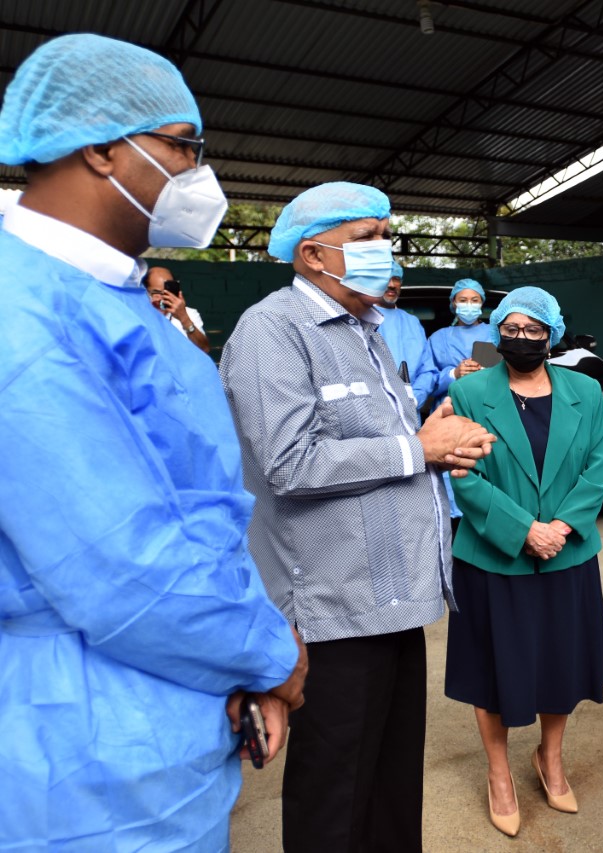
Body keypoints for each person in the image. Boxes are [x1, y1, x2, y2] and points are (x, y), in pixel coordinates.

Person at [0, 34, 306, 850]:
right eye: (182, 147)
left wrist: (240, 664)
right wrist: (268, 653)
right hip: (78, 749)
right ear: (101, 149)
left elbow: (201, 512)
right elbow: (116, 559)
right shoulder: (19, 311)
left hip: (175, 710)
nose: (198, 174)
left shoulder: (123, 300)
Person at [219, 181, 495, 852]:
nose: (385, 250)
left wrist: (433, 439)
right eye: (368, 237)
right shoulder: (273, 330)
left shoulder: (367, 331)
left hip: (393, 600)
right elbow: (289, 463)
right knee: (335, 797)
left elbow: (380, 446)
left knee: (391, 786)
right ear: (314, 255)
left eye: (386, 235)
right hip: (332, 609)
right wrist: (419, 448)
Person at [444, 286, 603, 837]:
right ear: (498, 332)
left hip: (566, 553)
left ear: (552, 334)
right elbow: (464, 475)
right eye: (511, 329)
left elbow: (598, 466)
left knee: (561, 662)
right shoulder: (469, 391)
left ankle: (550, 758)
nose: (521, 339)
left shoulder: (584, 391)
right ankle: (499, 774)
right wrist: (523, 531)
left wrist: (559, 528)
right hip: (494, 559)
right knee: (492, 668)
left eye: (533, 330)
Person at [424, 277, 490, 408]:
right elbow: (426, 381)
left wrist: (490, 373)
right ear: (454, 302)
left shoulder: (496, 334)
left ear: (481, 302)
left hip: (488, 407)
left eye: (474, 300)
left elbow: (512, 374)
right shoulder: (438, 338)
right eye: (463, 300)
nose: (469, 305)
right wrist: (454, 373)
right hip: (450, 408)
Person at [377, 260, 433, 408]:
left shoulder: (412, 322)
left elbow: (427, 369)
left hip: (411, 411)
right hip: (374, 411)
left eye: (396, 279)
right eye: (385, 278)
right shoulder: (360, 318)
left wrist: (415, 399)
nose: (391, 285)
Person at [146, 265, 212, 353]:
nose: (162, 298)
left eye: (167, 293)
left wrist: (184, 318)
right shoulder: (138, 313)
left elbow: (204, 349)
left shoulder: (189, 314)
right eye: (156, 292)